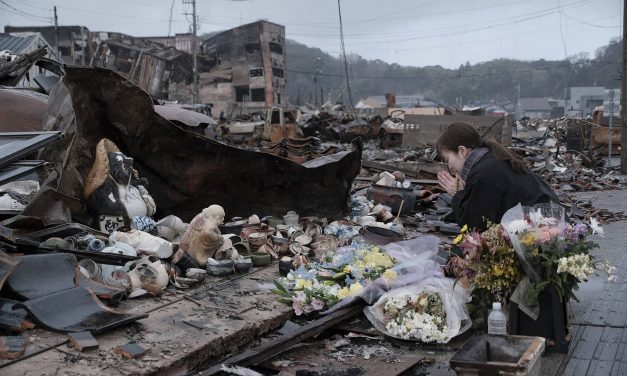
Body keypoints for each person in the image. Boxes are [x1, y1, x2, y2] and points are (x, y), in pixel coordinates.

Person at [436, 122, 559, 231]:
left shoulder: (483, 172)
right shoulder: (491, 161)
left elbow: (475, 225)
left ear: (462, 151)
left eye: (447, 159)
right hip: (552, 224)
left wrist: (457, 194)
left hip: (544, 233)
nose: (449, 167)